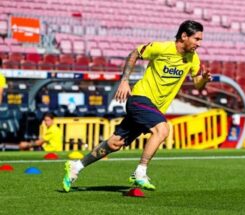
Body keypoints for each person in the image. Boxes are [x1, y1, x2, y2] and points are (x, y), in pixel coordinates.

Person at [62, 20, 211, 192]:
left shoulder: (193, 59)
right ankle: (140, 172)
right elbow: (134, 54)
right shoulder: (162, 48)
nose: (199, 44)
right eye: (197, 39)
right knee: (162, 129)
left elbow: (198, 84)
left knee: (114, 143)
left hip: (152, 109)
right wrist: (124, 81)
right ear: (184, 36)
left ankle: (76, 166)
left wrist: (204, 80)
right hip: (139, 99)